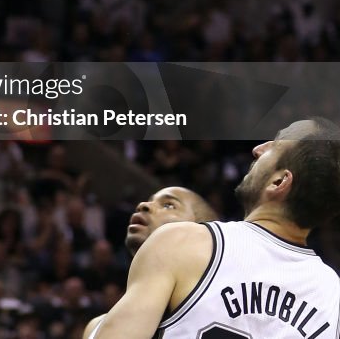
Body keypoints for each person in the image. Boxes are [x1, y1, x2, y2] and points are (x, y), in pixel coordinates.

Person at [95, 119, 340, 338]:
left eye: (274, 145)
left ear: (279, 182)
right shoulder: (333, 298)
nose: (258, 149)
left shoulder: (184, 242)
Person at [83, 186, 218, 338]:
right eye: (149, 200)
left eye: (168, 205)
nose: (143, 205)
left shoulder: (218, 313)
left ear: (200, 233)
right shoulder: (96, 326)